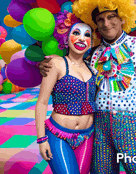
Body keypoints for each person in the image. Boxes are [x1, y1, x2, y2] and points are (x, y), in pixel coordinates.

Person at [40, 0, 136, 174]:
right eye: (100, 19)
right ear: (96, 25)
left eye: (111, 16)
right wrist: (44, 65)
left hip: (132, 126)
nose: (106, 23)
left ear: (123, 17)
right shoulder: (92, 54)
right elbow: (70, 65)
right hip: (98, 129)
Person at [35, 11, 97, 174]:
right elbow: (41, 103)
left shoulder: (93, 68)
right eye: (76, 33)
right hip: (59, 135)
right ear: (66, 38)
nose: (82, 38)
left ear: (91, 42)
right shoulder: (55, 63)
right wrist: (41, 139)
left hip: (87, 136)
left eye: (87, 35)